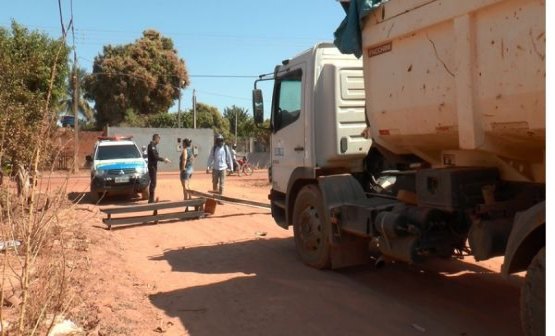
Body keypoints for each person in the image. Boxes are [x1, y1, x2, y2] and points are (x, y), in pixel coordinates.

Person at [147, 134, 170, 203]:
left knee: (154, 182)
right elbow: (155, 157)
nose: (159, 141)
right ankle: (151, 200)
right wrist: (164, 159)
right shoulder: (151, 146)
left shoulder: (153, 146)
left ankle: (151, 199)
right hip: (152, 166)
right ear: (156, 139)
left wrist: (163, 160)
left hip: (153, 166)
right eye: (159, 139)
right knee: (153, 182)